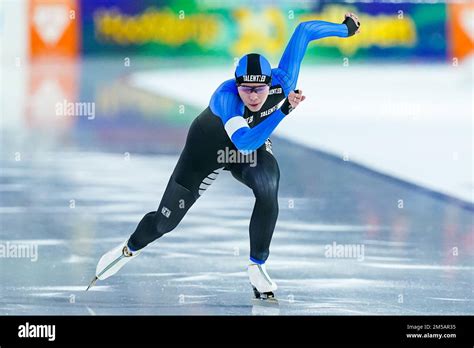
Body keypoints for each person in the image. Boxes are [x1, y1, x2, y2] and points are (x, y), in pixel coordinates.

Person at [87, 13, 361, 299]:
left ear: (271, 84)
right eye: (246, 89)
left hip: (247, 145)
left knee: (268, 184)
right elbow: (242, 142)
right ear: (236, 84)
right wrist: (283, 111)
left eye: (259, 89)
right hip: (206, 153)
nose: (253, 96)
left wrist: (344, 30)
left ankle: (258, 265)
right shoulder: (226, 97)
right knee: (164, 223)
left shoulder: (285, 81)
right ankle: (129, 248)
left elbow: (304, 31)